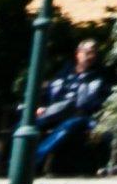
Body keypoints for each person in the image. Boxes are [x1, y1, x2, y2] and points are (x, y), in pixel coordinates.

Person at [32, 38, 110, 174]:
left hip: (83, 117)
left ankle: (33, 161)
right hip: (56, 112)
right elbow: (46, 93)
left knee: (70, 125)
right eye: (88, 52)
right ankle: (14, 161)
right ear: (78, 53)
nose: (91, 56)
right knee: (28, 123)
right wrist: (41, 106)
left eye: (94, 53)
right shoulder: (63, 73)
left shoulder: (101, 76)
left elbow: (104, 101)